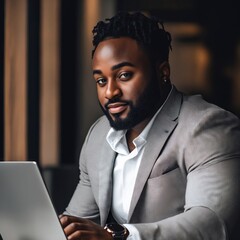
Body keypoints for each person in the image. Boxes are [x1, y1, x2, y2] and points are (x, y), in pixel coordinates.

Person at [59, 11, 240, 239]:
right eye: (101, 80)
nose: (110, 92)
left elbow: (211, 222)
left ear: (163, 72)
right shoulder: (99, 135)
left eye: (124, 75)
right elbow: (79, 222)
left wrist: (120, 236)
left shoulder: (208, 126)